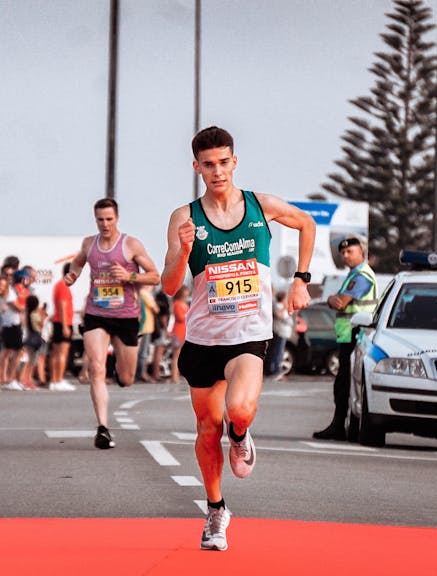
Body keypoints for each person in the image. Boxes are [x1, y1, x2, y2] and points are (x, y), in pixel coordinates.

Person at [161, 126, 315, 551]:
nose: (218, 171)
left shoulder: (260, 206)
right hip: (203, 339)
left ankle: (242, 433)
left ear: (235, 162)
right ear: (197, 167)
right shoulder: (184, 217)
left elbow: (305, 223)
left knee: (239, 410)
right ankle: (216, 510)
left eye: (224, 162)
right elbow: (169, 285)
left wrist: (301, 279)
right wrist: (183, 251)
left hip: (248, 335)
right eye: (209, 165)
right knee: (208, 429)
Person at [64, 197, 160, 450]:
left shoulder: (130, 245)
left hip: (126, 316)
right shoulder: (89, 244)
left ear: (117, 218)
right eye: (100, 220)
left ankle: (120, 371)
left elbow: (155, 277)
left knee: (127, 379)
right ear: (95, 219)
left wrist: (129, 276)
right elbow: (78, 262)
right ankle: (102, 428)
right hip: (96, 313)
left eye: (109, 219)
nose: (105, 224)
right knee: (96, 367)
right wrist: (73, 274)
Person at [313, 235, 376, 441]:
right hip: (349, 336)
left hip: (354, 336)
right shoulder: (354, 275)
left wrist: (330, 299)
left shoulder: (361, 276)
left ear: (361, 252)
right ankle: (341, 425)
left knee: (345, 385)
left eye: (350, 251)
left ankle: (339, 425)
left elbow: (340, 302)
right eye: (342, 253)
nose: (345, 255)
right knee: (344, 384)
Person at [46, 262, 77, 391]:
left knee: (55, 353)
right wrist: (65, 326)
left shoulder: (59, 285)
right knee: (62, 353)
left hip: (58, 322)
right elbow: (63, 306)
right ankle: (58, 380)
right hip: (63, 323)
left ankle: (54, 380)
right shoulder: (64, 286)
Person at [267, 289, 294, 379]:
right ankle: (276, 371)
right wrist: (284, 308)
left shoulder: (281, 306)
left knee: (279, 352)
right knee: (278, 352)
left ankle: (276, 370)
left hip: (284, 333)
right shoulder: (278, 306)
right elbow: (280, 315)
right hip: (280, 332)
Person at [169, 284, 190, 383]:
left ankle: (178, 375)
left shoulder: (184, 303)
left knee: (181, 356)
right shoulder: (177, 303)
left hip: (184, 331)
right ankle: (174, 376)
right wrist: (188, 315)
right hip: (178, 331)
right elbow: (180, 317)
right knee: (176, 355)